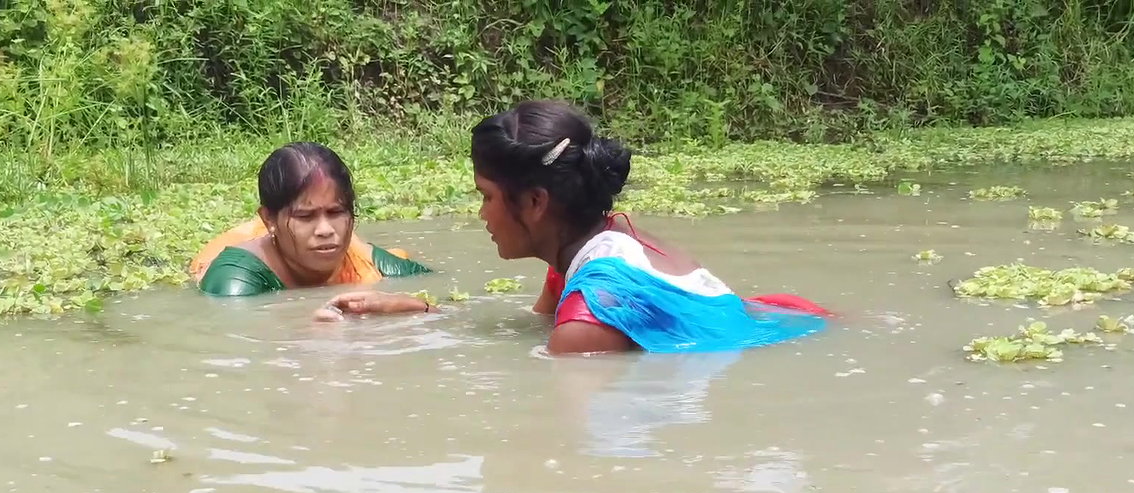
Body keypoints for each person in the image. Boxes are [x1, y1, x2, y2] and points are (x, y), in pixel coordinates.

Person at [319, 101, 832, 354]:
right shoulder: (612, 243)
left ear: (536, 202)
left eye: (488, 197)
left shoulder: (587, 320)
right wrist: (419, 311)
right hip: (792, 325)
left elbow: (570, 396)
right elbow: (533, 324)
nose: (482, 215)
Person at [190, 142, 434, 299]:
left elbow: (434, 289)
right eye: (305, 216)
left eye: (336, 212)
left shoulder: (360, 258)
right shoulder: (235, 279)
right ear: (269, 219)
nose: (326, 230)